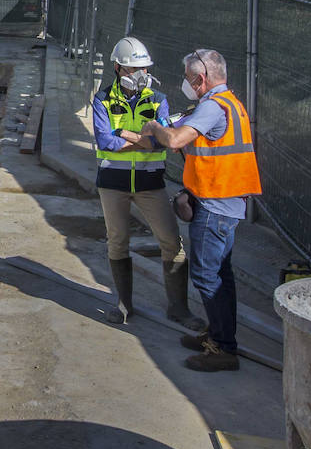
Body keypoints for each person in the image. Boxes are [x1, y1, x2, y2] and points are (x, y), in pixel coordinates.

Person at [142, 48, 262, 373]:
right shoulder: (230, 103)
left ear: (201, 78)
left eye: (188, 78)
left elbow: (177, 139)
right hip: (227, 202)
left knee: (206, 275)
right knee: (221, 274)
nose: (186, 83)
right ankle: (221, 335)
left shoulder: (211, 108)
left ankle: (222, 348)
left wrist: (154, 128)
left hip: (214, 206)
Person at [93, 37, 204, 329]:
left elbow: (161, 143)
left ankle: (179, 308)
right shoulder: (102, 99)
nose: (140, 75)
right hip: (112, 184)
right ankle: (124, 304)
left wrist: (125, 134)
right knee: (117, 242)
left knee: (172, 242)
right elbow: (105, 140)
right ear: (118, 68)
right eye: (133, 69)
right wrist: (145, 140)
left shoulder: (158, 99)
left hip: (150, 183)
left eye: (143, 68)